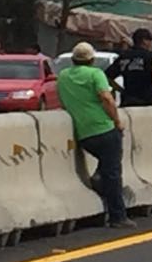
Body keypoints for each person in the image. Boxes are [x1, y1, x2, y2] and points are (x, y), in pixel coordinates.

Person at [57, 42, 133, 228]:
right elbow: (106, 98)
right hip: (104, 128)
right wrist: (116, 121)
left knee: (106, 166)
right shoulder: (95, 74)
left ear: (74, 59)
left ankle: (99, 179)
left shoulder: (63, 76)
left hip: (83, 133)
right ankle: (118, 216)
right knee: (113, 173)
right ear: (92, 59)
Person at [107, 28, 152, 107]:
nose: (150, 43)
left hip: (128, 101)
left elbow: (107, 77)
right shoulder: (149, 57)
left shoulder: (123, 57)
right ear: (144, 41)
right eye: (149, 40)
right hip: (146, 101)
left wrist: (120, 90)